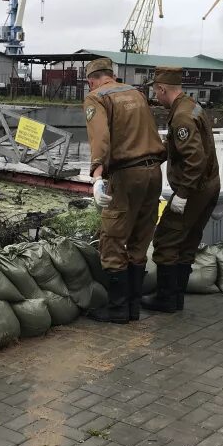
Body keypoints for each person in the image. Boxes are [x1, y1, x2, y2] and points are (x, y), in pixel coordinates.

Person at [84, 57, 167, 324]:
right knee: (140, 240)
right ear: (112, 74)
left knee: (112, 238)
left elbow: (100, 137)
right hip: (153, 172)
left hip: (127, 174)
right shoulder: (136, 93)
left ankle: (118, 308)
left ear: (91, 80)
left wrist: (97, 175)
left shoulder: (97, 97)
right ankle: (133, 308)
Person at [141, 66, 221, 313]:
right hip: (209, 185)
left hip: (194, 189)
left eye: (156, 91)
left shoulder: (181, 116)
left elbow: (194, 158)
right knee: (187, 242)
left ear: (163, 89)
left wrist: (183, 194)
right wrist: (154, 157)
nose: (156, 96)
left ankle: (166, 298)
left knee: (165, 240)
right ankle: (176, 298)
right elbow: (179, 147)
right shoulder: (192, 106)